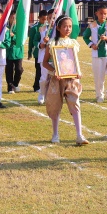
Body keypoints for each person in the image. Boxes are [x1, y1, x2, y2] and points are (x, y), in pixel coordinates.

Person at [42, 16, 87, 146]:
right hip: (56, 80)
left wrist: (78, 72)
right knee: (55, 105)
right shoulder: (52, 43)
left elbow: (74, 61)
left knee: (75, 104)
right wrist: (54, 71)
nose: (68, 29)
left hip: (71, 80)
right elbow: (45, 63)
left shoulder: (73, 43)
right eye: (65, 26)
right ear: (58, 28)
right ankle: (55, 134)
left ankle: (79, 135)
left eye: (70, 26)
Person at [84, 4, 107, 103]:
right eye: (101, 13)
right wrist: (92, 45)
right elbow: (85, 37)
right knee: (99, 76)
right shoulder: (92, 25)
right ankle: (100, 95)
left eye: (105, 13)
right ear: (97, 13)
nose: (103, 15)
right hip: (97, 54)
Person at [28, 9, 48, 94]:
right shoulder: (34, 28)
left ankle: (44, 86)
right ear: (39, 18)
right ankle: (36, 86)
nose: (44, 21)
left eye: (46, 19)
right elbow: (31, 41)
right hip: (37, 53)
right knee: (39, 70)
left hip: (47, 52)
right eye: (43, 19)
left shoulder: (48, 27)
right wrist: (29, 52)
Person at [5, 11, 24, 94]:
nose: (13, 20)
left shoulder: (20, 28)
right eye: (12, 18)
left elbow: (21, 39)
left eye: (15, 18)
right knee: (9, 70)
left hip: (18, 52)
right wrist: (8, 35)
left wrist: (14, 36)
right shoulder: (6, 28)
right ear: (9, 18)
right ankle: (10, 88)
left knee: (19, 69)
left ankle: (15, 84)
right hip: (8, 52)